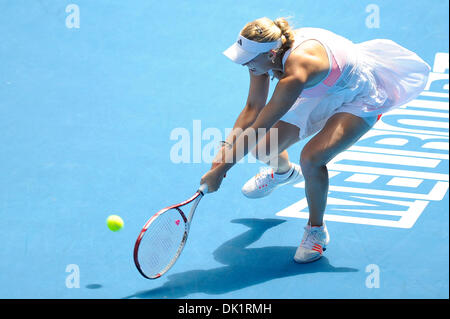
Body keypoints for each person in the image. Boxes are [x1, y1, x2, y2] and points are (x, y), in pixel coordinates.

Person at [200, 17, 431, 263]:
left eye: (247, 58)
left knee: (311, 159)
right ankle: (283, 173)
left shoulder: (297, 71)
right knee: (264, 148)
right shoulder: (263, 57)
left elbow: (259, 125)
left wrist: (222, 168)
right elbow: (253, 106)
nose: (243, 63)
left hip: (359, 94)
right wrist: (225, 149)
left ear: (271, 54)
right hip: (322, 88)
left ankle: (316, 230)